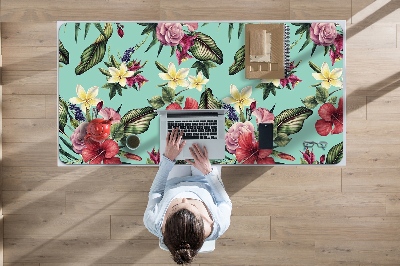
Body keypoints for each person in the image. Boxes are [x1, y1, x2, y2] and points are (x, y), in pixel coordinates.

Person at [144, 127, 232, 264]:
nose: (184, 198)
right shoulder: (219, 224)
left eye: (176, 206)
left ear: (165, 224)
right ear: (204, 222)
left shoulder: (153, 222)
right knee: (208, 135)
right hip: (205, 180)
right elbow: (224, 202)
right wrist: (208, 171)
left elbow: (156, 192)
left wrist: (168, 160)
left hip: (173, 181)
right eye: (192, 205)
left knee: (172, 141)